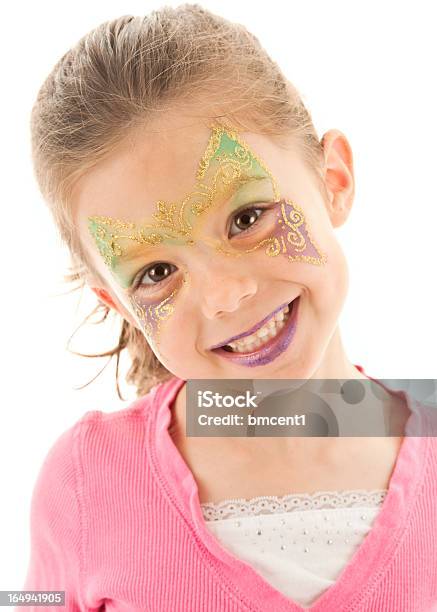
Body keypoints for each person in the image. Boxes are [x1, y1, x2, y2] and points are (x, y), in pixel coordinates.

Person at [18, 4, 437, 611]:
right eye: (156, 273)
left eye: (246, 218)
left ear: (334, 179)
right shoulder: (85, 483)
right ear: (121, 305)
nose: (225, 294)